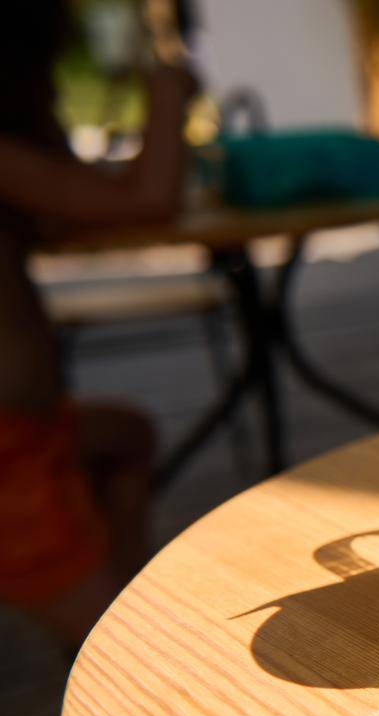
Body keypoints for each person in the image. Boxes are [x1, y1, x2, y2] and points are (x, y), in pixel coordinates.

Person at [0, 5, 196, 646]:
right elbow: (148, 202)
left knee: (126, 437)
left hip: (35, 429)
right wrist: (166, 95)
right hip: (10, 460)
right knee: (124, 652)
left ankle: (107, 596)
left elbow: (83, 202)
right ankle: (106, 634)